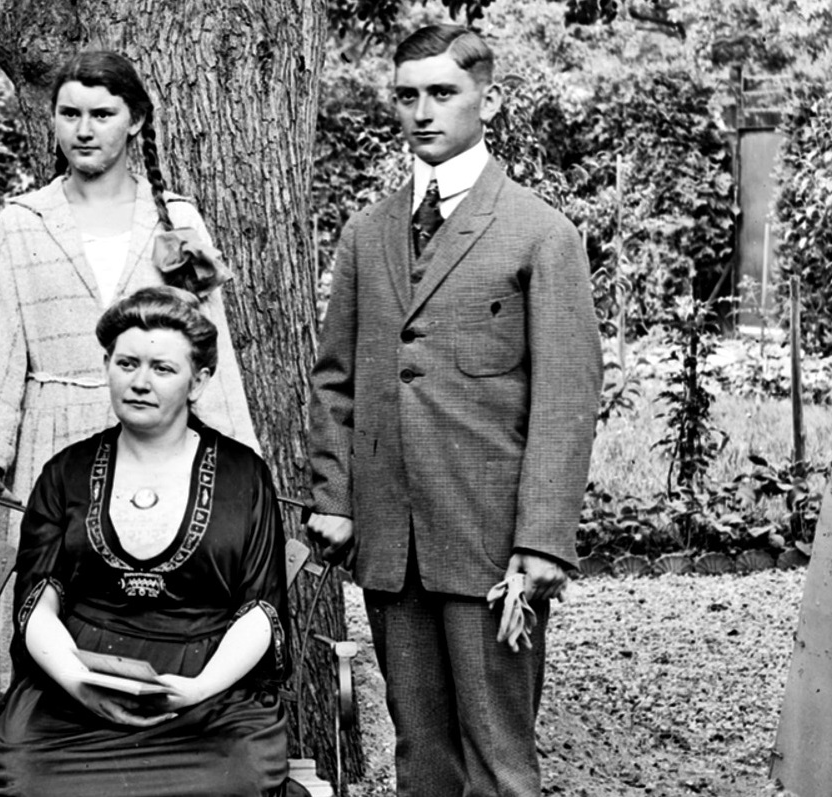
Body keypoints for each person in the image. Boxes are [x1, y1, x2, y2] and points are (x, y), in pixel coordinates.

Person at [304, 25, 601, 797]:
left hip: (489, 545)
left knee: (499, 762)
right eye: (406, 95)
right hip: (390, 541)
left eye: (442, 93)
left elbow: (566, 399)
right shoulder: (367, 233)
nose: (421, 111)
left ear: (487, 101)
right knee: (422, 760)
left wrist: (541, 539)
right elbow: (334, 379)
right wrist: (334, 497)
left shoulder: (539, 233)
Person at [0, 49, 260, 707]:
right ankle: (39, 717)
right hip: (52, 436)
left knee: (149, 579)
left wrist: (238, 458)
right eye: (69, 114)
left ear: (135, 121)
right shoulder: (23, 221)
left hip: (157, 445)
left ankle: (154, 706)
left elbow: (212, 348)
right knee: (48, 591)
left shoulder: (175, 221)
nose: (84, 130)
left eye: (102, 113)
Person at [0, 286, 291, 797]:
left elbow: (261, 607)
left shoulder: (244, 475)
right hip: (78, 689)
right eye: (126, 364)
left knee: (237, 781)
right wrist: (76, 682)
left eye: (162, 369)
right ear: (107, 366)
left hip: (206, 698)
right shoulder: (66, 472)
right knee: (26, 783)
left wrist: (197, 690)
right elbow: (37, 602)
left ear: (199, 381)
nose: (140, 382)